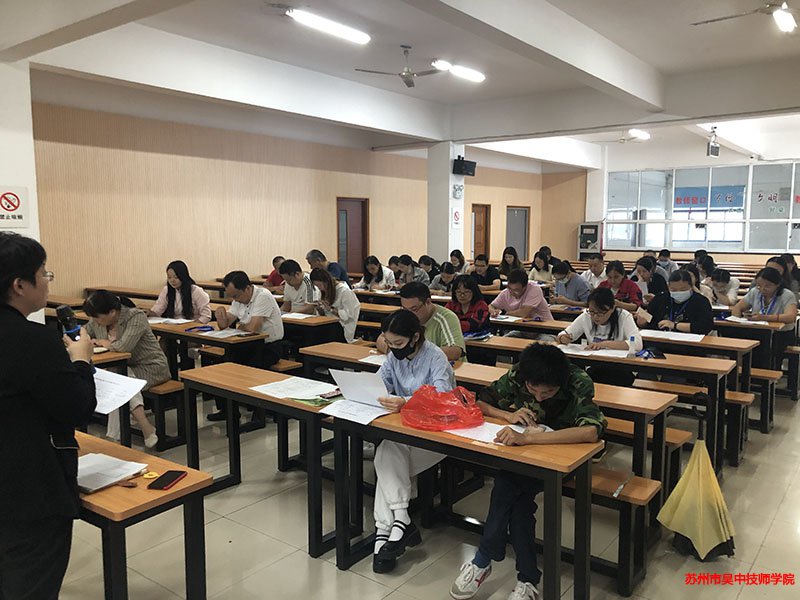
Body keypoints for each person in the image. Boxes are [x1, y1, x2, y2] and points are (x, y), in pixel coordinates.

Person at [450, 344, 605, 600]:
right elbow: (481, 401)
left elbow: (590, 431)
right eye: (533, 390)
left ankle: (483, 559)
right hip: (522, 458)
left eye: (549, 392)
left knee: (505, 487)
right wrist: (507, 415)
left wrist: (529, 439)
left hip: (560, 460)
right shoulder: (520, 372)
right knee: (519, 506)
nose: (540, 397)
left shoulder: (578, 381)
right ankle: (527, 579)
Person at [0, 232, 96, 600]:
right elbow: (78, 407)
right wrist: (81, 361)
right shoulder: (32, 340)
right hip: (28, 491)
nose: (48, 281)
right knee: (29, 583)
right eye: (44, 273)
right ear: (19, 285)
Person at [372, 310, 456, 574]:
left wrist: (405, 401)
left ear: (415, 337)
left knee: (386, 458)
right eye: (389, 343)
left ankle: (386, 530)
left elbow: (441, 397)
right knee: (389, 449)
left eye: (398, 343)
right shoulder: (393, 356)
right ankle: (398, 523)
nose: (393, 349)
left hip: (438, 435)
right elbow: (380, 382)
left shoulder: (436, 357)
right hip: (405, 433)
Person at [84, 290, 170, 447]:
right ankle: (143, 426)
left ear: (112, 312)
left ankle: (115, 437)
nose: (94, 321)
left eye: (96, 317)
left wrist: (104, 343)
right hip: (124, 368)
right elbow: (84, 333)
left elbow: (124, 347)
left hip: (150, 367)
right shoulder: (98, 320)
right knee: (118, 378)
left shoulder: (135, 317)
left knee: (118, 380)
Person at [208, 271, 285, 421]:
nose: (234, 299)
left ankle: (259, 413)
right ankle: (228, 410)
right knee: (222, 366)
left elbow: (253, 328)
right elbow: (225, 325)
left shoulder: (262, 296)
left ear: (247, 288)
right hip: (247, 345)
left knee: (249, 368)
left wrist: (241, 326)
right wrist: (220, 315)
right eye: (231, 296)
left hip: (270, 346)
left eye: (236, 296)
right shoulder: (238, 299)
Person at [557, 287, 642, 386]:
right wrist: (563, 338)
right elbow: (563, 334)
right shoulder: (586, 316)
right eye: (592, 312)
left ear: (612, 308)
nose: (595, 317)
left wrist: (604, 344)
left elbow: (637, 344)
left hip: (620, 367)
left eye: (601, 312)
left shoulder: (623, 316)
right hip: (596, 365)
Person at [376, 282, 466, 362]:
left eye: (414, 309)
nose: (408, 314)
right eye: (405, 309)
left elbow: (455, 351)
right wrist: (396, 351)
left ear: (428, 302)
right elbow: (381, 339)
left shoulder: (446, 317)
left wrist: (416, 355)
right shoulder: (404, 316)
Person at [732, 267, 798, 367]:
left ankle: (769, 371)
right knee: (743, 341)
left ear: (777, 284)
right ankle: (748, 371)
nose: (762, 289)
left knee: (768, 349)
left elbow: (791, 317)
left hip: (781, 334)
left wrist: (764, 317)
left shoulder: (787, 295)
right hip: (758, 331)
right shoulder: (755, 292)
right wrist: (737, 319)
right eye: (759, 285)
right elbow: (737, 308)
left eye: (767, 286)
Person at [636, 270, 714, 335]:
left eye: (683, 289)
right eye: (673, 290)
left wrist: (675, 325)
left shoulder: (701, 301)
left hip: (689, 343)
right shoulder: (660, 298)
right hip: (660, 340)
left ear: (691, 286)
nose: (678, 292)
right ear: (668, 287)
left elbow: (706, 326)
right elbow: (649, 322)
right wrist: (642, 323)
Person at [309, 267, 361, 343]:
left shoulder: (344, 291)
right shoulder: (323, 291)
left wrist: (331, 309)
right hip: (328, 322)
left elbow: (347, 316)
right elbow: (323, 314)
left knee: (320, 333)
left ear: (326, 281)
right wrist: (319, 309)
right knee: (310, 330)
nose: (319, 288)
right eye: (317, 286)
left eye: (319, 285)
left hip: (341, 326)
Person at [489, 269, 553, 322]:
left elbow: (523, 313)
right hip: (521, 327)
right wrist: (493, 312)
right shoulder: (506, 292)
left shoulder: (534, 289)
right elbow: (491, 306)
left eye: (516, 290)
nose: (511, 292)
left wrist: (504, 313)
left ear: (525, 287)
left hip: (543, 326)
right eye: (509, 288)